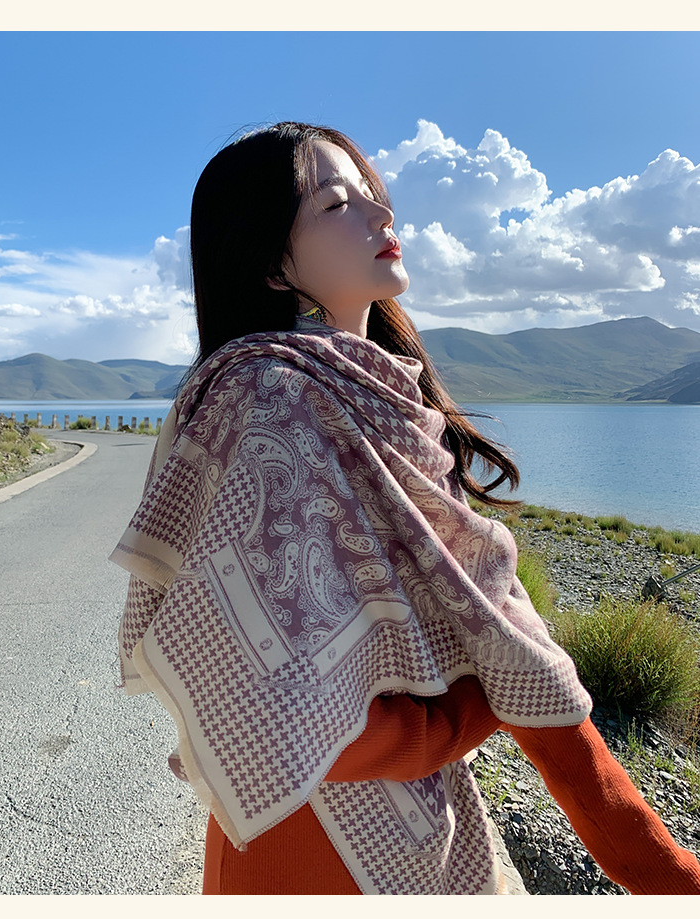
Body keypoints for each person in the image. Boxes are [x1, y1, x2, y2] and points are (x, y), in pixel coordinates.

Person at [109, 122, 700, 895]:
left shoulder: (385, 404)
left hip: (404, 837)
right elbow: (267, 712)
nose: (382, 215)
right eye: (336, 204)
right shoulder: (270, 402)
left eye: (373, 195)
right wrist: (471, 709)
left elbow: (505, 643)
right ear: (271, 265)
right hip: (305, 857)